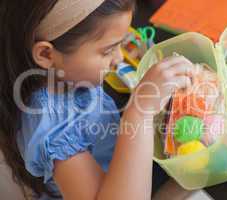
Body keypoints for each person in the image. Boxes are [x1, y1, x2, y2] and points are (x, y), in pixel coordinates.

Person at [0, 0, 196, 199]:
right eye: (108, 50)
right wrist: (139, 112)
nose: (119, 58)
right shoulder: (52, 125)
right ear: (46, 54)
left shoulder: (70, 74)